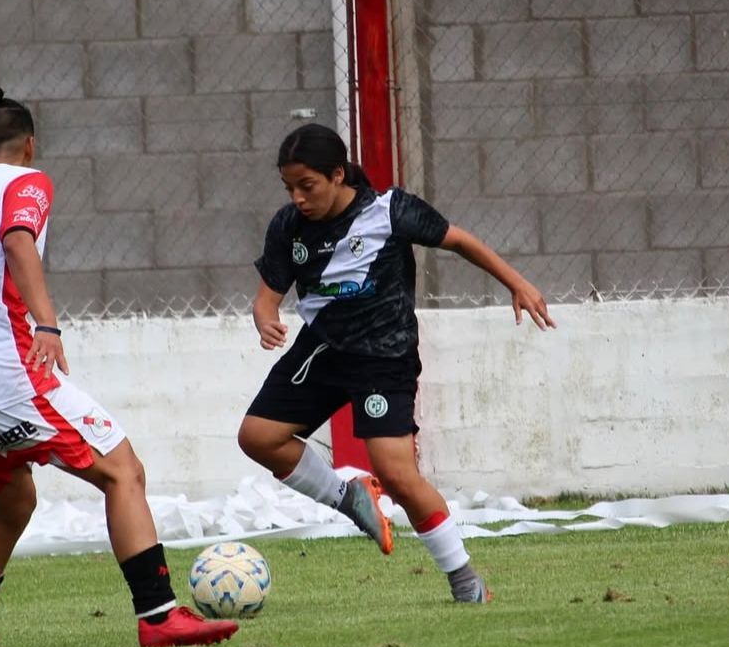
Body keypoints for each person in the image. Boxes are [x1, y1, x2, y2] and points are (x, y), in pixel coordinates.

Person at [0, 86, 238, 647]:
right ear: (29, 145)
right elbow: (16, 239)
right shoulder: (26, 181)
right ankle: (158, 617)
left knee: (11, 505)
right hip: (3, 369)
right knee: (122, 471)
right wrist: (48, 324)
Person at [237, 123, 556, 603]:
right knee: (258, 437)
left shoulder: (390, 210)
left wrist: (517, 283)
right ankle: (349, 498)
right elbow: (267, 298)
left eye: (308, 186)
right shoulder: (289, 226)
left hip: (383, 357)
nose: (298, 198)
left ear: (338, 175)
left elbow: (460, 240)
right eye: (290, 188)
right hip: (322, 349)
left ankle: (465, 580)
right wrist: (265, 320)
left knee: (398, 475)